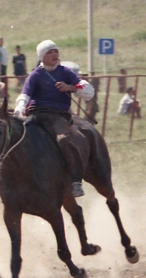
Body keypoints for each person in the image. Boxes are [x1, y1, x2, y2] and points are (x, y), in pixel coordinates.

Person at [15, 41, 96, 197]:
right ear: (41, 56)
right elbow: (25, 95)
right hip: (36, 114)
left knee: (64, 140)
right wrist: (19, 111)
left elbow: (88, 91)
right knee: (18, 140)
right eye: (49, 52)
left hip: (58, 116)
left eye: (55, 51)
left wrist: (70, 87)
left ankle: (75, 181)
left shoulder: (65, 72)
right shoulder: (35, 75)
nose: (54, 54)